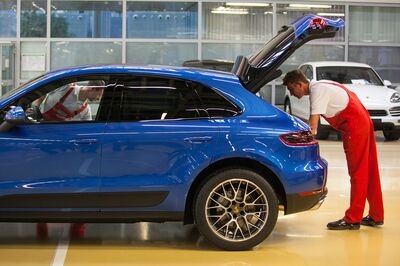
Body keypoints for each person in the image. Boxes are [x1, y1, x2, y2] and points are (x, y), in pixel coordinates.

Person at [283, 70, 384, 230]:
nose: (291, 93)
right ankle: (376, 215)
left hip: (355, 125)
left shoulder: (317, 91)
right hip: (361, 121)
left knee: (357, 173)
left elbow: (313, 127)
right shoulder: (321, 86)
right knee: (369, 170)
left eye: (291, 88)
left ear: (299, 84)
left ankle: (353, 219)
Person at [37, 80, 105, 121]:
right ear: (92, 89)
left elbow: (87, 131)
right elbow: (43, 90)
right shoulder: (66, 86)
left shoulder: (86, 111)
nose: (98, 98)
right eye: (99, 94)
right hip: (39, 125)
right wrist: (35, 109)